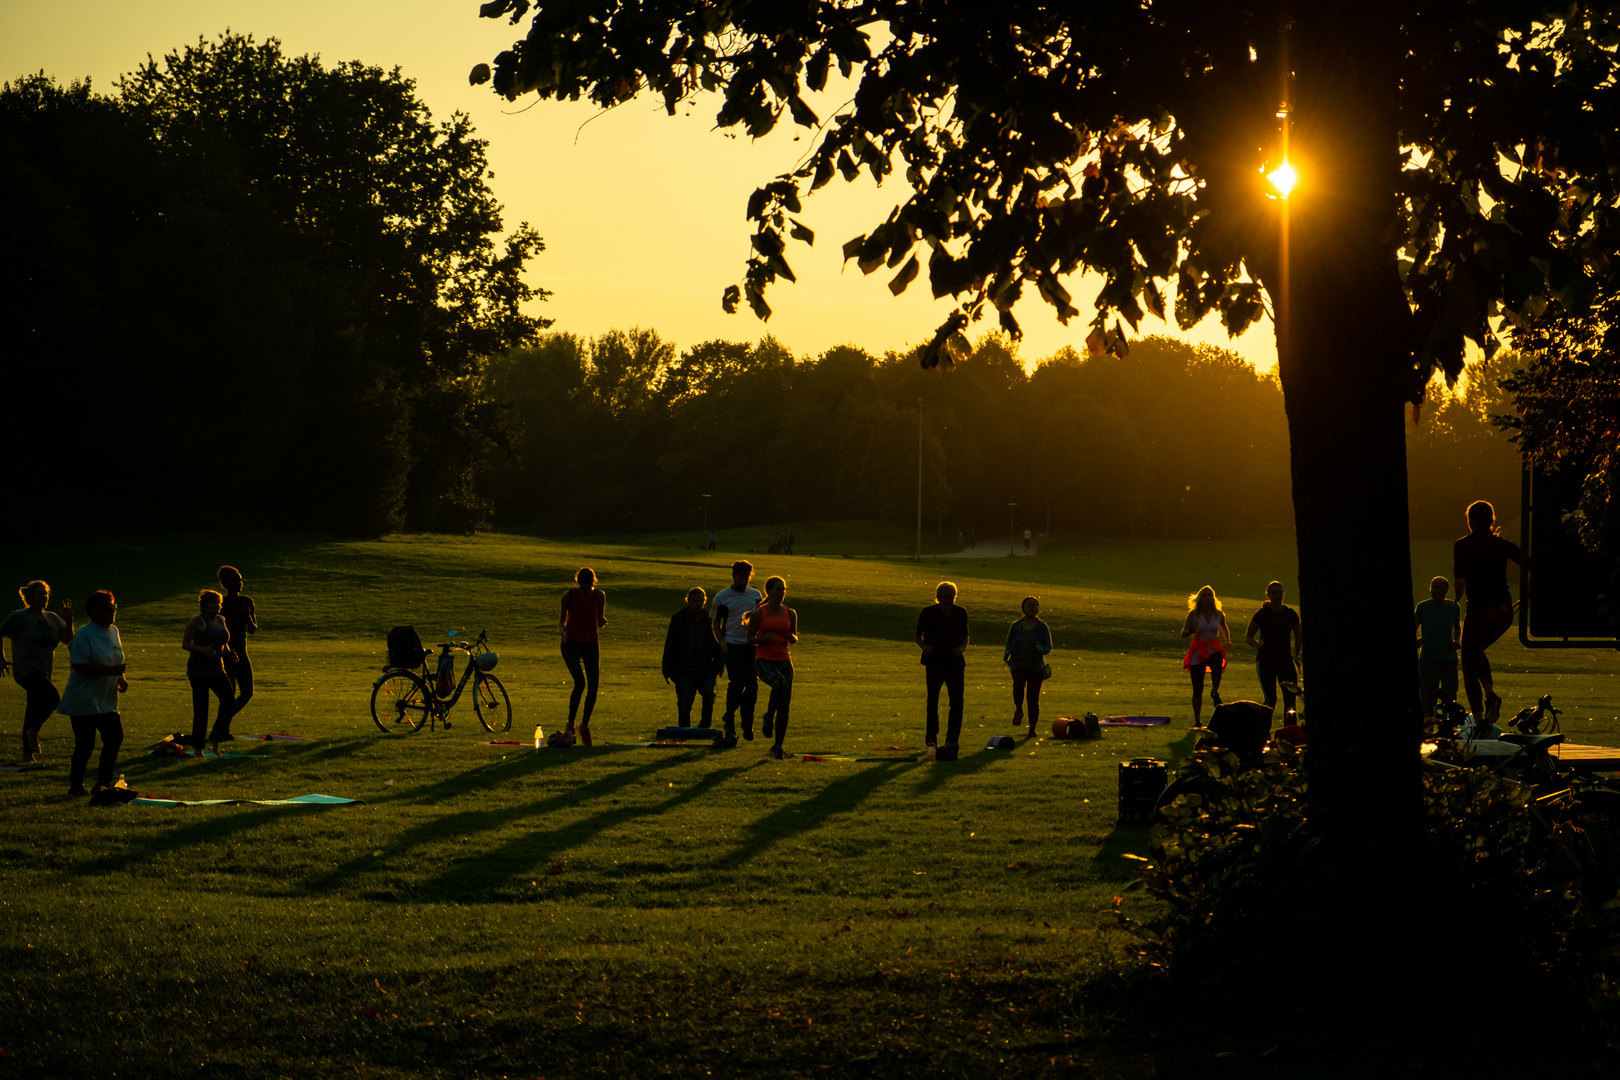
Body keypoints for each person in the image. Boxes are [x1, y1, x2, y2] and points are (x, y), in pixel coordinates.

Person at [1454, 500, 1523, 724]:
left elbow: (1460, 582)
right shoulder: (1502, 544)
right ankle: (1490, 696)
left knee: (1468, 661)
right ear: (1492, 520)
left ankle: (1479, 717)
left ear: (1470, 521)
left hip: (1479, 610)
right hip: (1503, 611)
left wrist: (1455, 598)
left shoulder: (1462, 545)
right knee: (1476, 654)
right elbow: (1528, 562)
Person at [57, 590, 127, 796]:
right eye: (107, 608)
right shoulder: (85, 634)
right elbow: (80, 665)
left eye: (113, 607)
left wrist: (120, 678)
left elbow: (114, 658)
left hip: (106, 700)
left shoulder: (114, 630)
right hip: (83, 700)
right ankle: (76, 786)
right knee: (85, 745)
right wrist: (111, 672)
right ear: (94, 611)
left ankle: (103, 784)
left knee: (114, 738)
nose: (112, 611)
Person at [1, 580, 75, 762]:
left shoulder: (52, 618)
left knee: (33, 708)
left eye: (46, 593)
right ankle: (33, 732)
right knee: (53, 698)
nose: (44, 597)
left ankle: (27, 756)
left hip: (44, 670)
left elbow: (66, 639)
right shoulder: (19, 616)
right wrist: (0, 658)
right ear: (29, 597)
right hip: (25, 670)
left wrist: (69, 619)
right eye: (40, 593)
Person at [711, 560, 763, 740]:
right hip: (731, 645)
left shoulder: (756, 595)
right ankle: (730, 722)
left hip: (751, 645)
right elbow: (715, 623)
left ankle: (747, 724)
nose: (743, 581)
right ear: (733, 576)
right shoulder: (722, 597)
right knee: (737, 681)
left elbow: (761, 618)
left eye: (746, 578)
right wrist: (722, 642)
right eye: (740, 578)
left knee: (752, 686)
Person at [748, 575, 798, 760]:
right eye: (777, 589)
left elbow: (794, 637)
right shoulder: (759, 613)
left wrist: (792, 638)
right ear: (769, 591)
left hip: (785, 661)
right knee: (779, 683)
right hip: (764, 660)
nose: (781, 592)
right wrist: (763, 639)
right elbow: (749, 638)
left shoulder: (790, 613)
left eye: (783, 589)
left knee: (784, 706)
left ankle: (777, 746)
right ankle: (768, 716)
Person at [916, 581, 970, 749]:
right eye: (944, 596)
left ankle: (952, 740)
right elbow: (918, 635)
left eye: (950, 596)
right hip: (934, 662)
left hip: (955, 662)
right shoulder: (927, 612)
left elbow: (965, 637)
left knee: (957, 702)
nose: (947, 600)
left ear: (955, 597)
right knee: (932, 700)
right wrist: (925, 647)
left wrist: (962, 649)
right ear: (937, 597)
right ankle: (931, 739)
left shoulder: (961, 613)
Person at [182, 589, 237, 753]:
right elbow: (186, 644)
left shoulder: (221, 620)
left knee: (229, 703)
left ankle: (215, 738)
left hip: (217, 670)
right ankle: (198, 749)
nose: (217, 606)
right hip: (198, 673)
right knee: (201, 711)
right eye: (214, 602)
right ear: (204, 605)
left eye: (219, 603)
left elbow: (222, 641)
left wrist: (228, 652)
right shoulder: (197, 622)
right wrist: (202, 650)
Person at [662, 587, 724, 727]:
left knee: (709, 696)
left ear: (704, 601)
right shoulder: (679, 618)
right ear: (688, 601)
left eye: (701, 601)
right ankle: (684, 730)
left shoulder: (710, 619)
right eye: (695, 601)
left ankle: (704, 728)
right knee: (684, 705)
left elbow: (716, 644)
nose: (698, 604)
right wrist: (667, 669)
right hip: (684, 671)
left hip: (706, 670)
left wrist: (719, 664)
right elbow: (670, 644)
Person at [560, 566, 607, 745]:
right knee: (580, 682)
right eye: (583, 584)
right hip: (571, 643)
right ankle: (570, 724)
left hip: (591, 643)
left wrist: (602, 622)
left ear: (593, 582)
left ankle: (584, 726)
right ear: (578, 582)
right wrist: (562, 632)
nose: (586, 587)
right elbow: (561, 620)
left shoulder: (600, 596)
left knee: (593, 686)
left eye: (588, 584)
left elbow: (599, 619)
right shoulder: (569, 596)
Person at [1244, 581, 1303, 718]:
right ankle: (1264, 733)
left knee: (1290, 699)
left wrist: (1297, 654)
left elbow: (1298, 633)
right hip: (1266, 660)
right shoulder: (1262, 614)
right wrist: (1257, 644)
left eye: (1280, 593)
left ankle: (1290, 733)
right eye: (1274, 593)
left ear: (1283, 595)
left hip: (1285, 660)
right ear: (1268, 595)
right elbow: (1249, 636)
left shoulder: (1290, 614)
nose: (1277, 596)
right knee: (1270, 700)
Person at [1181, 586, 1231, 727]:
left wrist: (1228, 641)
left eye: (1210, 595)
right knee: (1197, 688)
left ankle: (1215, 692)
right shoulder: (1194, 614)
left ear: (1213, 598)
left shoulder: (1218, 614)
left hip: (1213, 648)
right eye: (1205, 595)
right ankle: (1197, 720)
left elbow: (1223, 627)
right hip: (1198, 650)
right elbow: (1183, 632)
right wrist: (1191, 630)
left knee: (1217, 665)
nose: (1208, 598)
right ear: (1200, 598)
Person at [1002, 596, 1052, 737]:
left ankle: (1032, 728)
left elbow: (1049, 646)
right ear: (1023, 608)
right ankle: (1018, 709)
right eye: (1028, 605)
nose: (1031, 608)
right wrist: (1007, 653)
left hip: (1036, 667)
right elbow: (1009, 642)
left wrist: (1041, 648)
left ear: (1038, 609)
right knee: (1018, 684)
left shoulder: (1042, 627)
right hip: (1018, 664)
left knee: (1033, 698)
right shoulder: (1016, 625)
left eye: (1034, 605)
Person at [1415, 575, 1462, 721]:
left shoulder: (1454, 608)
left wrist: (1456, 640)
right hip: (1428, 660)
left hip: (1448, 659)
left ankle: (1449, 725)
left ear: (1446, 590)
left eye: (1438, 588)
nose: (1434, 591)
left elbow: (1456, 627)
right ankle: (1428, 729)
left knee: (1450, 694)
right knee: (1428, 698)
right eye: (1432, 587)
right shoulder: (1423, 607)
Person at [217, 565, 257, 724]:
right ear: (225, 583)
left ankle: (222, 723)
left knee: (247, 692)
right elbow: (219, 628)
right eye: (235, 580)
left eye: (240, 580)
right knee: (229, 693)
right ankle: (222, 727)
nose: (239, 583)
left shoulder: (247, 602)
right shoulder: (221, 603)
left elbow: (252, 629)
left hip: (242, 652)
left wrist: (248, 619)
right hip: (226, 654)